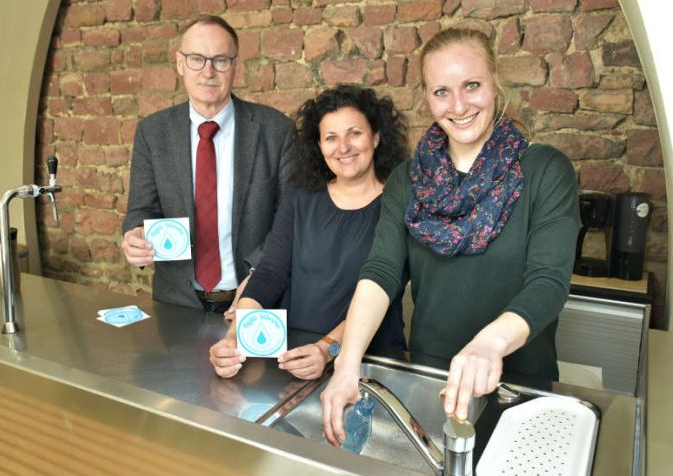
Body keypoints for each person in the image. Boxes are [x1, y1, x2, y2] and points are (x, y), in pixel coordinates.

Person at [320, 28, 579, 445]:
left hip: (523, 390)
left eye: (472, 85)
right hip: (429, 383)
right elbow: (382, 272)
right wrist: (347, 364)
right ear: (427, 96)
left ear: (495, 82)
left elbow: (549, 282)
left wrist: (489, 343)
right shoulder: (407, 181)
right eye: (442, 91)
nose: (458, 106)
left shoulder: (545, 170)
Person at [209, 85, 410, 380]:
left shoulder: (399, 203)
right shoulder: (300, 197)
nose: (343, 147)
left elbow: (384, 294)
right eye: (331, 137)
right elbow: (270, 273)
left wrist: (328, 349)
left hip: (369, 363)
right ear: (318, 145)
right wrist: (233, 335)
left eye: (354, 133)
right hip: (296, 358)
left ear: (376, 136)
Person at [121, 15, 296, 312]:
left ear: (236, 66)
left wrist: (258, 279)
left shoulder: (276, 130)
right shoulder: (153, 132)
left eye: (220, 60)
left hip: (256, 302)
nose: (208, 71)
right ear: (179, 63)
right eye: (196, 59)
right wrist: (135, 235)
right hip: (176, 304)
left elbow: (290, 219)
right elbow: (141, 210)